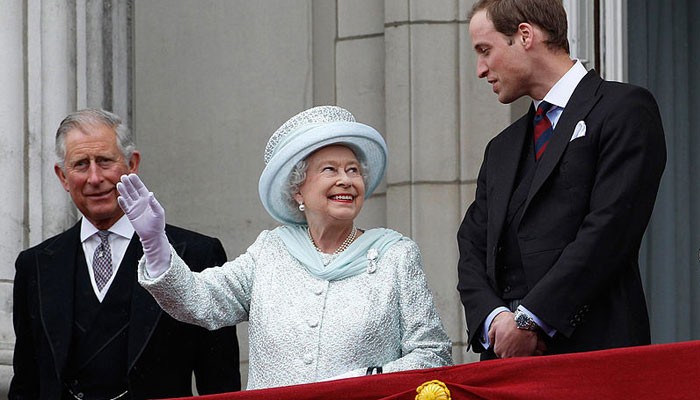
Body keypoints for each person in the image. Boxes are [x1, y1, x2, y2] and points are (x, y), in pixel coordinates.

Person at [116, 105, 453, 390]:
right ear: (298, 190)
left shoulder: (396, 255)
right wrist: (155, 243)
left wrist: (366, 380)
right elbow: (201, 302)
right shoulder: (270, 252)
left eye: (353, 170)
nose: (346, 180)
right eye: (330, 170)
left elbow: (433, 353)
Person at [457, 0, 666, 360]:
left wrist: (530, 320)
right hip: (505, 364)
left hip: (595, 359)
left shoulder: (625, 109)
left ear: (525, 36)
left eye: (485, 50)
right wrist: (496, 321)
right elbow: (472, 246)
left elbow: (609, 230)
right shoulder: (501, 147)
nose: (480, 69)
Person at [10, 109, 241, 399]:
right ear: (63, 176)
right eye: (81, 164)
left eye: (104, 161)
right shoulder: (36, 265)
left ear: (132, 164)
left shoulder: (196, 255)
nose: (95, 178)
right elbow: (26, 382)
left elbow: (220, 384)